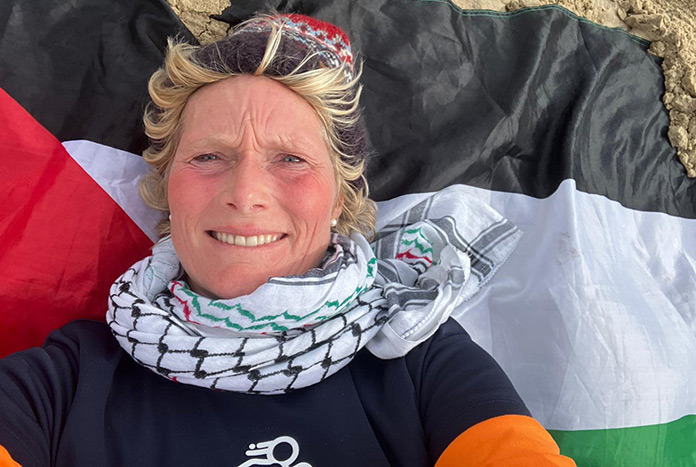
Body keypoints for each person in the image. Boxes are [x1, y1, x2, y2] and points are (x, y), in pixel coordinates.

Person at [0, 13, 575, 466]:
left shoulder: (418, 361)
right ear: (166, 189)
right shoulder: (66, 381)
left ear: (340, 202)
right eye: (207, 156)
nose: (245, 194)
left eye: (291, 159)